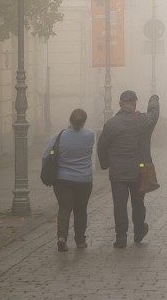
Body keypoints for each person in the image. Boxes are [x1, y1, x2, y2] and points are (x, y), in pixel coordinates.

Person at [97, 89, 160, 248]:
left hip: (118, 172)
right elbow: (154, 115)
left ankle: (121, 237)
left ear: (120, 104)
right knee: (138, 202)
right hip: (138, 171)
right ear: (135, 103)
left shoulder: (111, 124)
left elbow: (102, 146)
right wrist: (153, 99)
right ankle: (139, 231)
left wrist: (105, 164)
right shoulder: (143, 120)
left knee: (119, 204)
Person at [42, 108, 94, 252]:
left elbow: (45, 156)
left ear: (70, 119)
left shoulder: (59, 136)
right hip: (84, 179)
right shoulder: (90, 135)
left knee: (64, 208)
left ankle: (62, 237)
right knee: (80, 209)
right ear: (84, 121)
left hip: (62, 179)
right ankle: (80, 240)